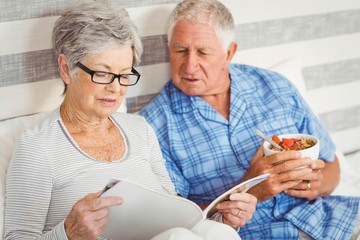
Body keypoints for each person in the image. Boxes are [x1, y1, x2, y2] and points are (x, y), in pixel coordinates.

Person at [4, 1, 255, 240]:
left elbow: (178, 216)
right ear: (67, 68)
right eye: (103, 73)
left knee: (219, 233)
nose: (116, 88)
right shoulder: (37, 147)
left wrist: (222, 220)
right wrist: (69, 234)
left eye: (124, 75)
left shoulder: (140, 130)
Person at [139, 0, 360, 239]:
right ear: (168, 46)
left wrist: (317, 184)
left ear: (229, 53)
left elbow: (333, 165)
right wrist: (249, 189)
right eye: (180, 50)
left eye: (203, 52)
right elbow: (178, 223)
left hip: (330, 220)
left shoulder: (276, 86)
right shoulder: (152, 126)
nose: (190, 65)